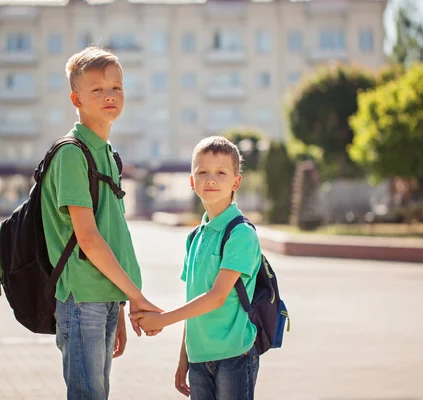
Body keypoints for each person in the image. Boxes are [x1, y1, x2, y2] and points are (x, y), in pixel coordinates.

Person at [40, 46, 161, 399]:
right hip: (82, 299)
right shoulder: (72, 153)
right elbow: (89, 240)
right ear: (76, 98)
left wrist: (120, 304)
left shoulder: (106, 153)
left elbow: (111, 234)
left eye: (117, 88)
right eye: (98, 89)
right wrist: (137, 297)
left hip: (104, 297)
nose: (110, 96)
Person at [130, 136, 262, 399]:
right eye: (202, 172)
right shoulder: (195, 237)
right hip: (199, 358)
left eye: (221, 173)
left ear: (236, 181)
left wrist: (161, 320)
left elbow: (216, 297)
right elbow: (194, 300)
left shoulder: (240, 234)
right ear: (191, 181)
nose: (211, 179)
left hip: (234, 355)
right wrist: (184, 357)